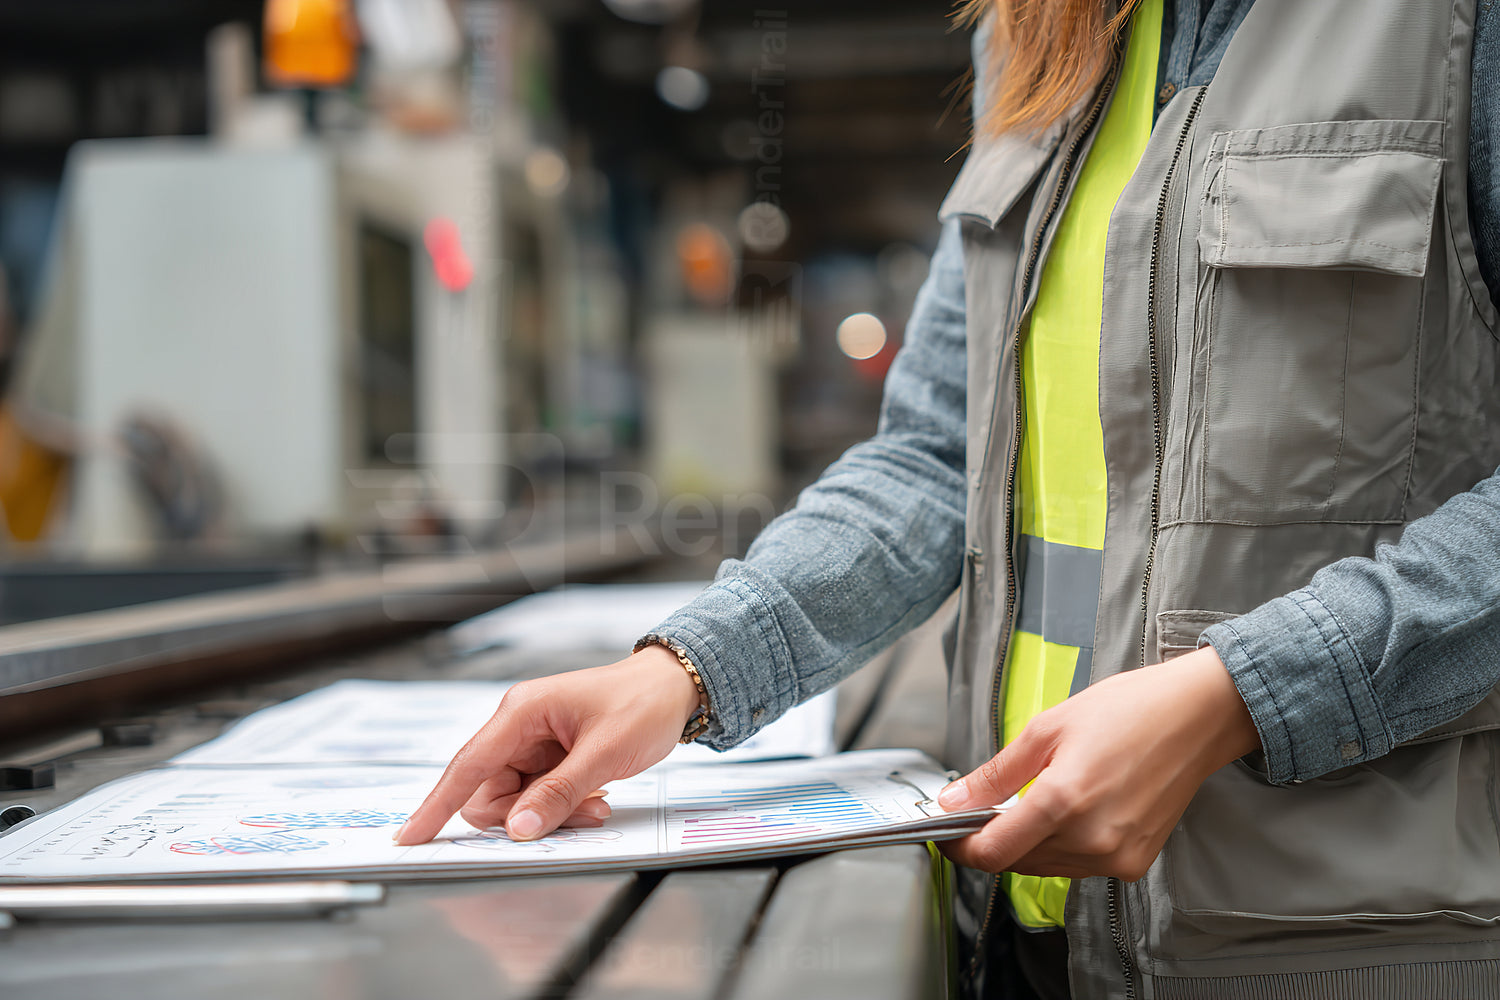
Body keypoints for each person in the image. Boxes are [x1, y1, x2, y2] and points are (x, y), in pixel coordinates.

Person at [397, 1, 1500, 996]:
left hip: (1340, 941)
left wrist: (1240, 695)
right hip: (1021, 928)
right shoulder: (1040, 30)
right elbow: (936, 453)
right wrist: (684, 668)